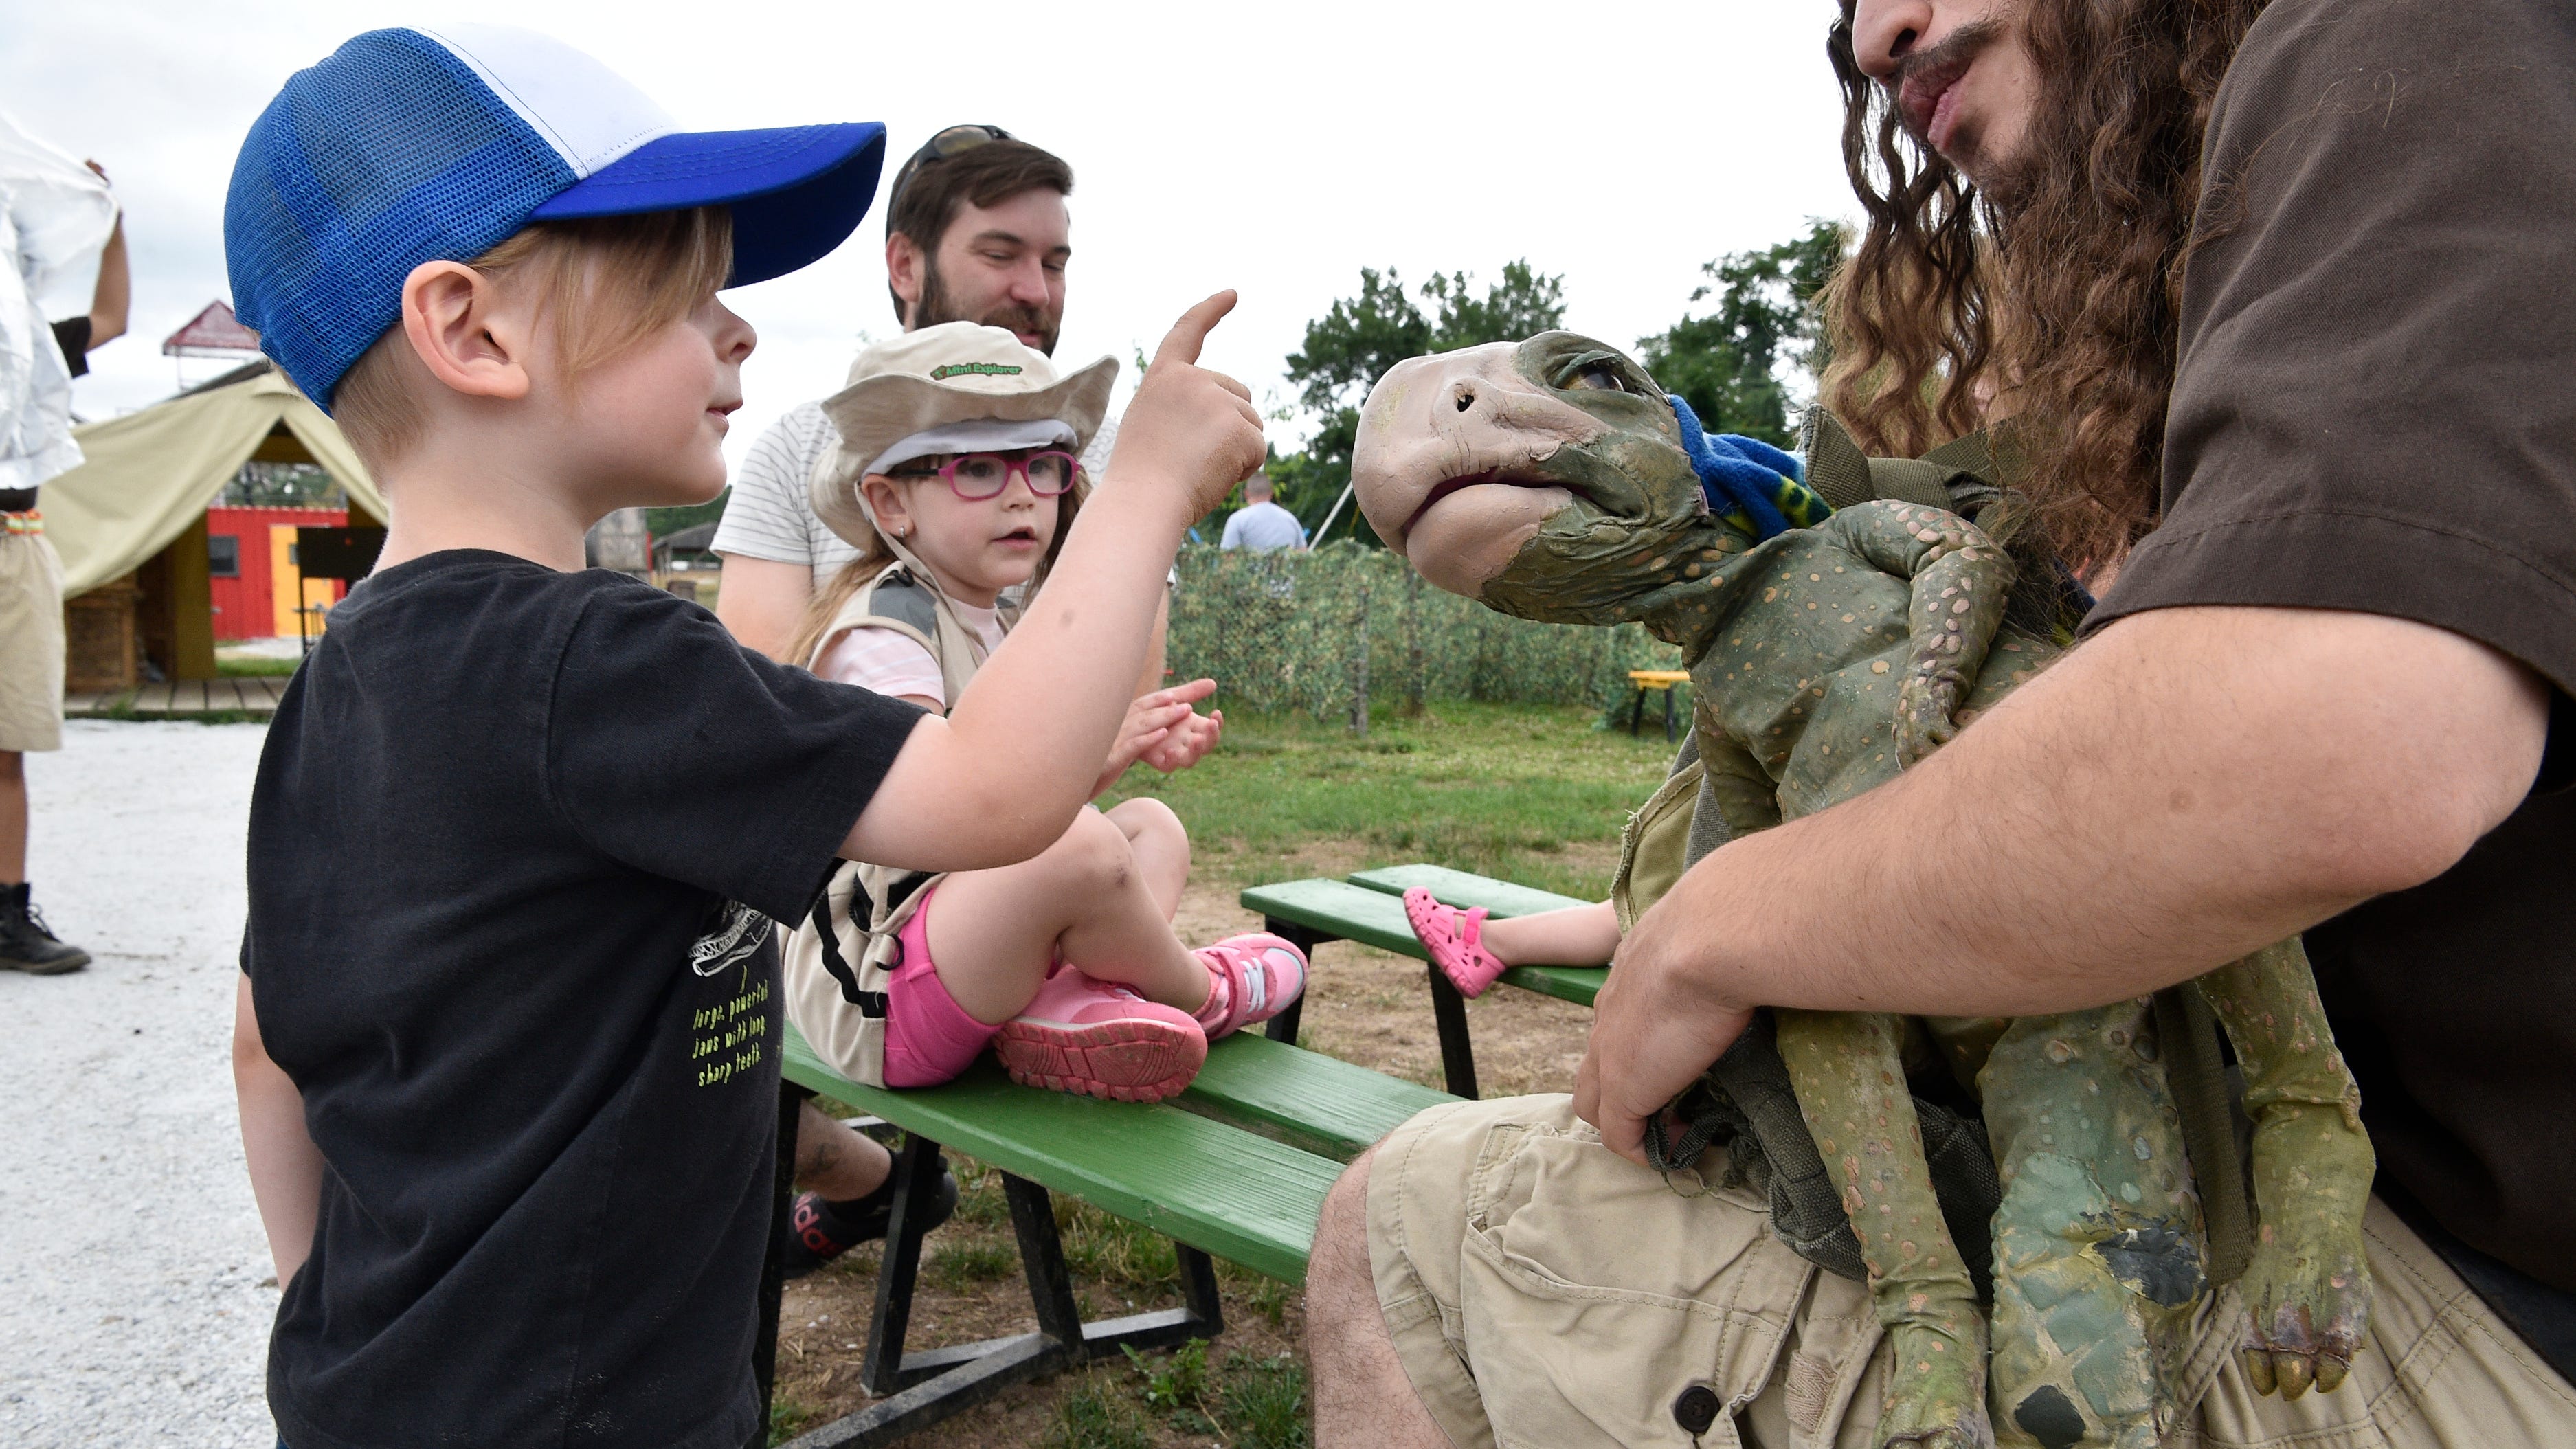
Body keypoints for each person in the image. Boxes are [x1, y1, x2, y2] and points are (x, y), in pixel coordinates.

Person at [1306, 1, 2576, 1445]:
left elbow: (2349, 737)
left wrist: (1726, 917)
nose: (1872, 35)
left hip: (2473, 1299)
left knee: (1402, 1215)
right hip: (2355, 1179)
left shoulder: (2412, 32)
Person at [218, 25, 1262, 1449]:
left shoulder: (336, 684)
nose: (740, 329)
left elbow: (265, 1048)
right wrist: (1141, 477)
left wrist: (321, 1314)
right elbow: (994, 791)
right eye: (685, 291)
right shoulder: (599, 655)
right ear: (470, 329)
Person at [770, 322, 1304, 1273]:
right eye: (976, 467)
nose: (1023, 492)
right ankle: (1204, 989)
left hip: (954, 944)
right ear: (890, 500)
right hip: (877, 987)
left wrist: (1116, 753)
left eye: (1044, 464)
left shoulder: (998, 614)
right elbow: (942, 825)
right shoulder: (882, 635)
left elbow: (1017, 808)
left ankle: (1061, 1005)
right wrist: (1098, 758)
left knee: (1149, 826)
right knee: (1087, 846)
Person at [714, 126, 1118, 656]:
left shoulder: (1109, 452)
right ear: (905, 266)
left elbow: (1120, 678)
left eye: (1054, 265)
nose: (1035, 290)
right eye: (999, 255)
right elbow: (765, 691)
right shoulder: (794, 450)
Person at [0, 151, 123, 976]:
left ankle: (7, 913)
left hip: (12, 542)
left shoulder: (27, 351)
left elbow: (111, 318)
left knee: (6, 741)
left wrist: (115, 216)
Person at [1218, 471, 1306, 550]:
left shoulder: (1237, 520)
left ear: (1246, 494)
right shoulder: (1291, 519)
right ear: (1271, 493)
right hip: (1286, 568)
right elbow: (1303, 556)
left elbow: (1227, 560)